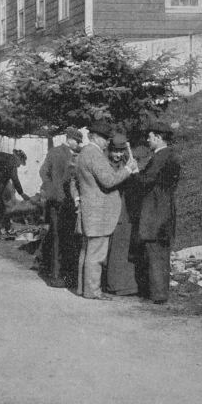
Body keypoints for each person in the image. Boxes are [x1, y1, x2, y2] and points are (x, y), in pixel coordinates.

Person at [75, 121, 137, 300]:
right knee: (96, 254)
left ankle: (82, 288)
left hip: (89, 209)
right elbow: (108, 181)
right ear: (94, 137)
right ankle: (93, 291)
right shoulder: (94, 154)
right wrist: (128, 169)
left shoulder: (84, 154)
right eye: (104, 138)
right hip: (99, 212)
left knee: (86, 252)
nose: (106, 142)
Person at [133, 119, 181, 303]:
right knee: (161, 251)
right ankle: (161, 292)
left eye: (150, 136)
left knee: (155, 251)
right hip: (165, 208)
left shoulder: (160, 157)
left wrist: (134, 173)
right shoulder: (170, 155)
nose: (147, 139)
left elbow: (146, 180)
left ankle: (158, 294)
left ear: (159, 138)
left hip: (156, 209)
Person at [39, 127, 82, 288]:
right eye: (77, 141)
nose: (78, 144)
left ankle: (55, 274)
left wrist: (50, 189)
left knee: (56, 236)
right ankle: (61, 275)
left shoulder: (53, 152)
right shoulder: (72, 156)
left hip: (54, 201)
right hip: (67, 201)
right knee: (66, 238)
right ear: (69, 138)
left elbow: (43, 172)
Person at [104, 133, 140, 297]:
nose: (118, 155)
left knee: (124, 246)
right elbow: (111, 182)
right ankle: (115, 284)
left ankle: (127, 285)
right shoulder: (105, 164)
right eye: (115, 152)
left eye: (121, 152)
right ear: (109, 150)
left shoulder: (127, 163)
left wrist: (134, 171)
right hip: (112, 209)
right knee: (114, 248)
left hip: (126, 209)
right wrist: (127, 170)